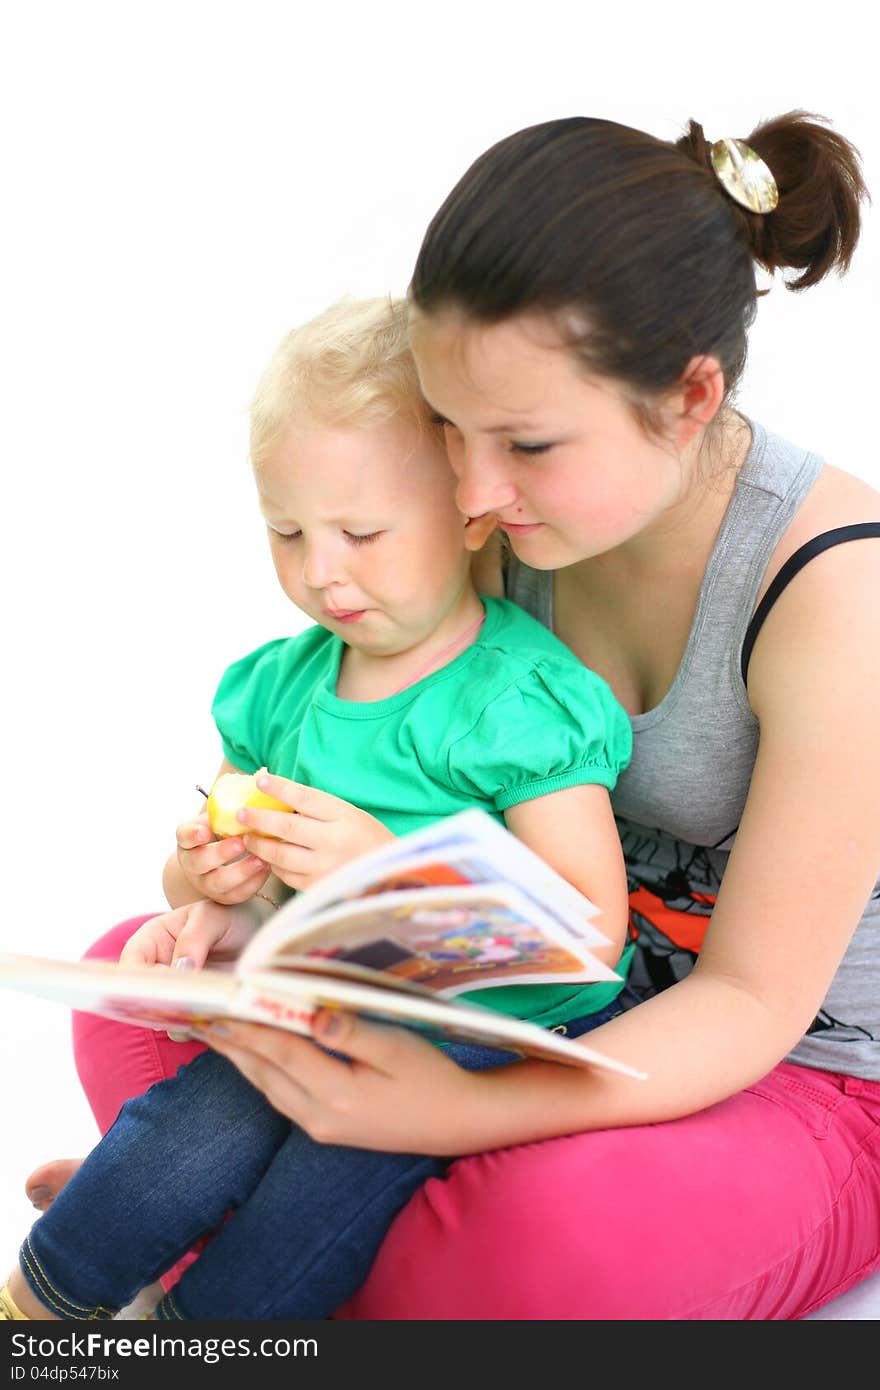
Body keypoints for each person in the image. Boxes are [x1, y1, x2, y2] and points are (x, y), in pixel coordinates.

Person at [21, 107, 880, 1322]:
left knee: (547, 1249)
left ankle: (212, 1232)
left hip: (793, 1068)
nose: (471, 493)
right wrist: (241, 894)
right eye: (449, 429)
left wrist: (451, 1107)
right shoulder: (507, 514)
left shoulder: (839, 590)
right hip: (525, 1001)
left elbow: (747, 1005)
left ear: (691, 396)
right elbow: (396, 796)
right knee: (134, 980)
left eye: (524, 442)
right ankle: (249, 1232)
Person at [1, 297, 634, 1321]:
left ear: (471, 511)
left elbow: (592, 933)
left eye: (362, 532)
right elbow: (213, 859)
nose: (320, 569)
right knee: (185, 1125)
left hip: (477, 1034)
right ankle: (45, 1302)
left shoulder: (516, 703)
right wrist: (206, 893)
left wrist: (387, 870)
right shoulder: (282, 689)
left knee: (318, 1193)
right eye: (287, 530)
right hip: (318, 995)